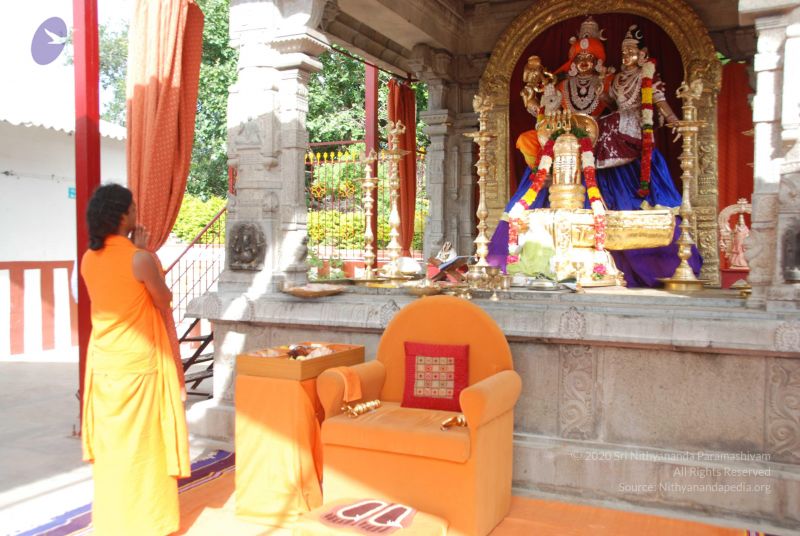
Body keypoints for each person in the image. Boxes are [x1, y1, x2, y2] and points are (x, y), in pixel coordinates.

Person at [80, 183, 190, 535]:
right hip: (138, 365)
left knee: (113, 448)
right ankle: (146, 522)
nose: (137, 214)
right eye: (134, 209)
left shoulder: (88, 259)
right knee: (144, 446)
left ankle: (113, 521)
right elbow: (163, 300)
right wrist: (144, 252)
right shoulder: (139, 259)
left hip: (104, 364)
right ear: (123, 216)